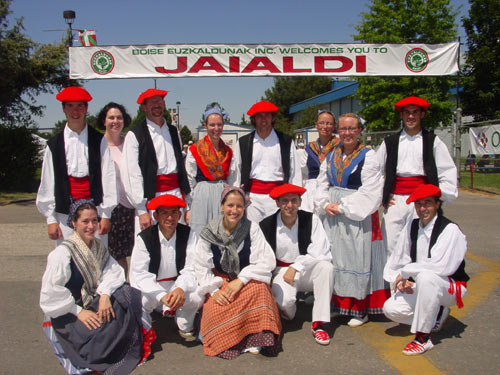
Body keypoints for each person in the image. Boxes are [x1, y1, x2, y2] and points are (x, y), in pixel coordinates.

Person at [40, 200, 154, 374]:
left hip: (94, 300)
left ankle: (116, 342)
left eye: (94, 220)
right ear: (73, 223)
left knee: (127, 293)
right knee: (93, 338)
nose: (91, 226)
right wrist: (79, 311)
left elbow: (113, 271)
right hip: (70, 311)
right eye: (85, 221)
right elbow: (51, 293)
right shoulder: (62, 254)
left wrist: (105, 295)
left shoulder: (99, 246)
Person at [315, 113, 389, 327]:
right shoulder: (331, 155)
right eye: (343, 129)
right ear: (338, 131)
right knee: (336, 256)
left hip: (356, 213)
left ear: (359, 131)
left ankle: (359, 310)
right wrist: (323, 203)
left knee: (357, 256)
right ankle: (340, 305)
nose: (347, 133)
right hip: (333, 212)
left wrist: (344, 207)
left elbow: (371, 191)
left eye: (351, 129)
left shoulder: (368, 155)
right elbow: (321, 184)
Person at [195, 185, 281, 359]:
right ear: (222, 206)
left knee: (261, 290)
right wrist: (213, 291)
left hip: (245, 282)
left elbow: (266, 260)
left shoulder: (252, 228)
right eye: (230, 205)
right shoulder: (209, 231)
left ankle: (255, 338)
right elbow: (201, 265)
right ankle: (229, 339)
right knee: (214, 311)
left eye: (239, 206)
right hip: (221, 283)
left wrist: (241, 279)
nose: (234, 210)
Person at [383, 184, 468, 355]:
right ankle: (436, 313)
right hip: (423, 284)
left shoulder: (450, 230)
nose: (423, 209)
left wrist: (407, 272)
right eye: (418, 204)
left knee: (427, 277)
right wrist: (400, 281)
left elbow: (441, 267)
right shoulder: (412, 226)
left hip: (449, 287)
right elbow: (399, 256)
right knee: (391, 309)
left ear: (437, 204)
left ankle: (423, 338)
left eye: (427, 203)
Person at [377, 96, 458, 256]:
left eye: (415, 112)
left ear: (422, 114)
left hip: (422, 200)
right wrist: (382, 196)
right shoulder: (390, 142)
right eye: (407, 112)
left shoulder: (433, 141)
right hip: (395, 201)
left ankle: (417, 279)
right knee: (390, 245)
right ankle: (393, 280)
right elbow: (375, 171)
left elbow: (447, 171)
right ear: (401, 115)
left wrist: (438, 198)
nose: (411, 116)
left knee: (420, 243)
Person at [36, 87, 117, 245]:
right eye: (70, 106)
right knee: (68, 256)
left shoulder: (99, 140)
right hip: (65, 212)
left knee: (96, 257)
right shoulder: (54, 144)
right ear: (64, 108)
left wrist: (106, 215)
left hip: (95, 209)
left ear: (86, 108)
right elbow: (48, 181)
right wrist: (51, 219)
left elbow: (108, 176)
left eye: (80, 106)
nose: (75, 111)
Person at [260, 184, 333, 345]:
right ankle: (288, 311)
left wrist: (296, 267)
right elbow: (263, 256)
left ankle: (319, 324)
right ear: (277, 203)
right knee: (285, 304)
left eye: (294, 200)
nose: (290, 205)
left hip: (306, 269)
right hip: (281, 271)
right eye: (285, 201)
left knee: (326, 267)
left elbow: (320, 250)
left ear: (300, 202)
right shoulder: (266, 225)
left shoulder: (311, 219)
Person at [130, 194, 203, 339]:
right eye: (164, 213)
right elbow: (140, 273)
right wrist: (161, 295)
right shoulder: (144, 238)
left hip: (176, 286)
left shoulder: (189, 234)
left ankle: (183, 319)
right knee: (140, 301)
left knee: (197, 296)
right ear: (156, 216)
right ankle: (147, 325)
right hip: (154, 288)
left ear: (180, 214)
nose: (170, 218)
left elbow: (191, 267)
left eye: (174, 212)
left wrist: (180, 288)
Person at [121, 88, 191, 234]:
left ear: (164, 103)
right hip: (151, 199)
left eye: (159, 101)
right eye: (151, 102)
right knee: (151, 246)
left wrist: (188, 205)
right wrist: (141, 210)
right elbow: (131, 173)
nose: (156, 105)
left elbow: (181, 168)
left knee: (177, 242)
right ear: (144, 107)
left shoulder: (174, 132)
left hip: (176, 195)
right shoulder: (134, 135)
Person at [227, 100, 301, 223]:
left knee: (277, 236)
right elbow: (236, 173)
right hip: (252, 200)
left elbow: (295, 172)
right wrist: (237, 198)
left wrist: (293, 199)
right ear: (254, 119)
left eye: (267, 115)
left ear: (272, 118)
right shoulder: (244, 143)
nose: (263, 119)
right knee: (253, 235)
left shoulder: (286, 141)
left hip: (278, 199)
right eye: (259, 116)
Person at [97, 102, 135, 275]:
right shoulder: (98, 145)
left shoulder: (130, 142)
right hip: (109, 209)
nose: (115, 121)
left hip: (132, 207)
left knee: (137, 255)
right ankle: (119, 293)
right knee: (115, 258)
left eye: (119, 117)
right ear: (104, 121)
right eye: (111, 117)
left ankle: (136, 294)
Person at [185, 104, 233, 234]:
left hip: (222, 196)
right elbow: (190, 178)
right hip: (202, 195)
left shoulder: (228, 151)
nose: (216, 128)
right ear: (205, 125)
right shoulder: (195, 149)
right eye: (212, 125)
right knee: (201, 234)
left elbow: (232, 180)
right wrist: (190, 204)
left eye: (219, 125)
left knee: (222, 232)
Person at [300, 109, 339, 213]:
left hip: (331, 191)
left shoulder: (340, 147)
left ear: (334, 126)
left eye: (329, 123)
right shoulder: (309, 148)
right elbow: (303, 174)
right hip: (311, 193)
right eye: (321, 123)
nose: (325, 127)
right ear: (316, 125)